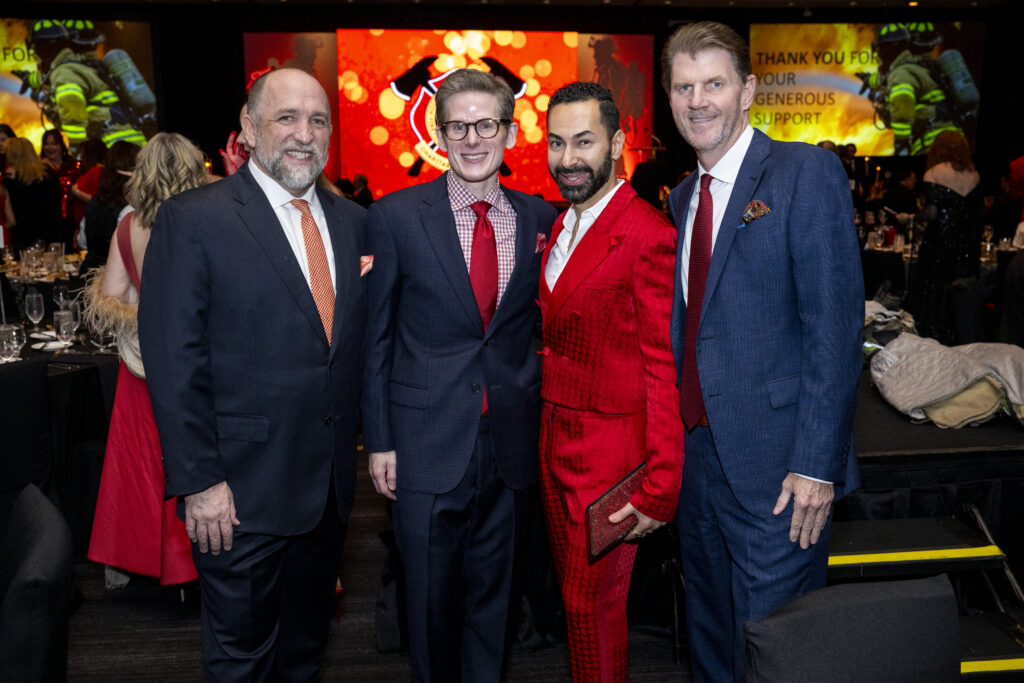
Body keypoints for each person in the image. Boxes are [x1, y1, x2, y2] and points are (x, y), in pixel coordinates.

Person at [138, 68, 367, 680]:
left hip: (326, 496)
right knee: (242, 663)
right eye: (286, 118)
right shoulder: (194, 220)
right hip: (236, 499)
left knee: (302, 655)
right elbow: (174, 361)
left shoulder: (350, 224)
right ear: (247, 127)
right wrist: (200, 481)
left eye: (318, 121)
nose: (304, 134)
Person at [663, 22, 863, 682]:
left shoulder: (804, 173)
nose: (699, 101)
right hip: (698, 467)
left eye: (714, 83)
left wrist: (815, 462)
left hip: (781, 474)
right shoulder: (681, 198)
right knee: (711, 644)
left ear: (747, 90)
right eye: (684, 86)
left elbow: (833, 332)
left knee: (779, 654)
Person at [362, 68, 556, 683]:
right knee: (429, 605)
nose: (472, 138)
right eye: (457, 126)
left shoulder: (539, 219)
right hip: (423, 444)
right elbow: (377, 339)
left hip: (510, 445)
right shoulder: (395, 216)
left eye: (486, 124)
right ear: (438, 135)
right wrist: (381, 441)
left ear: (509, 131)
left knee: (495, 604)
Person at [538, 81, 683, 683]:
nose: (568, 158)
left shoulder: (648, 233)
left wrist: (661, 484)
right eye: (555, 143)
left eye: (584, 142)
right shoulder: (559, 224)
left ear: (618, 143)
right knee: (574, 608)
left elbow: (663, 365)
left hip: (611, 463)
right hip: (554, 446)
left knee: (592, 609)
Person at [85, 133, 207, 589]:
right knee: (194, 458)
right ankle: (194, 565)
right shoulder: (208, 221)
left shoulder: (128, 225)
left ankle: (139, 562)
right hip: (199, 360)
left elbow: (112, 295)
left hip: (144, 365)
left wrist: (148, 316)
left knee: (140, 466)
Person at [902, 130, 982, 345]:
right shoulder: (974, 175)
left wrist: (911, 217)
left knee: (935, 289)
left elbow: (931, 213)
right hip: (966, 244)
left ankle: (934, 336)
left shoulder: (934, 173)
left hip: (940, 243)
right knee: (961, 289)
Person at [78, 141, 140, 274]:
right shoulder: (131, 208)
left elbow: (82, 241)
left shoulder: (94, 202)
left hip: (90, 277)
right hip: (117, 280)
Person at [3, 137, 62, 249]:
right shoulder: (47, 173)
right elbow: (56, 203)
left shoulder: (11, 179)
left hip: (22, 237)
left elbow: (13, 213)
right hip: (50, 233)